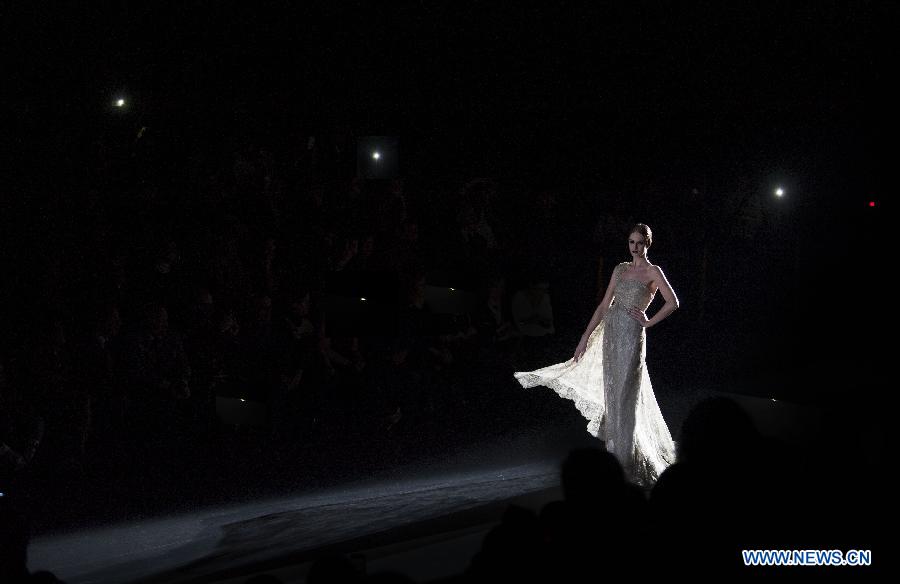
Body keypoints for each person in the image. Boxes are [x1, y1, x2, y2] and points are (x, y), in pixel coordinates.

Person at [514, 224, 678, 486]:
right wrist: (584, 338)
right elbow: (604, 306)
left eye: (639, 243)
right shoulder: (620, 269)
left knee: (626, 396)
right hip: (611, 334)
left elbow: (673, 302)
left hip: (632, 336)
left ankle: (626, 464)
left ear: (648, 244)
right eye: (631, 242)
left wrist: (648, 322)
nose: (634, 247)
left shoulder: (653, 272)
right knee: (613, 395)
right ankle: (614, 459)